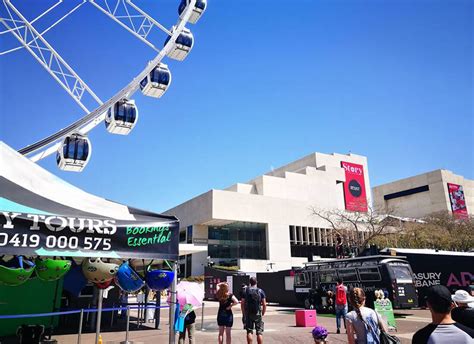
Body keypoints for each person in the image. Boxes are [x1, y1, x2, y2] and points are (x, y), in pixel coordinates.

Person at [241, 277, 267, 344]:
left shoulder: (246, 291)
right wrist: (263, 312)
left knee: (249, 331)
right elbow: (264, 304)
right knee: (259, 332)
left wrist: (244, 313)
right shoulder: (260, 291)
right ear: (256, 282)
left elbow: (242, 303)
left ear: (250, 282)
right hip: (257, 313)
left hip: (248, 313)